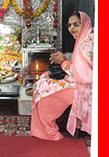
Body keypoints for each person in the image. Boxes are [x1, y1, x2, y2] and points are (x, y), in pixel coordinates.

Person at [30, 11, 94, 140]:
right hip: (84, 82)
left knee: (45, 89)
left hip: (88, 88)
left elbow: (82, 75)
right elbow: (81, 62)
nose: (72, 28)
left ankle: (46, 130)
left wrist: (62, 62)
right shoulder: (87, 37)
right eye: (69, 25)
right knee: (44, 80)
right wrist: (65, 57)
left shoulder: (89, 42)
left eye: (76, 24)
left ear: (85, 24)